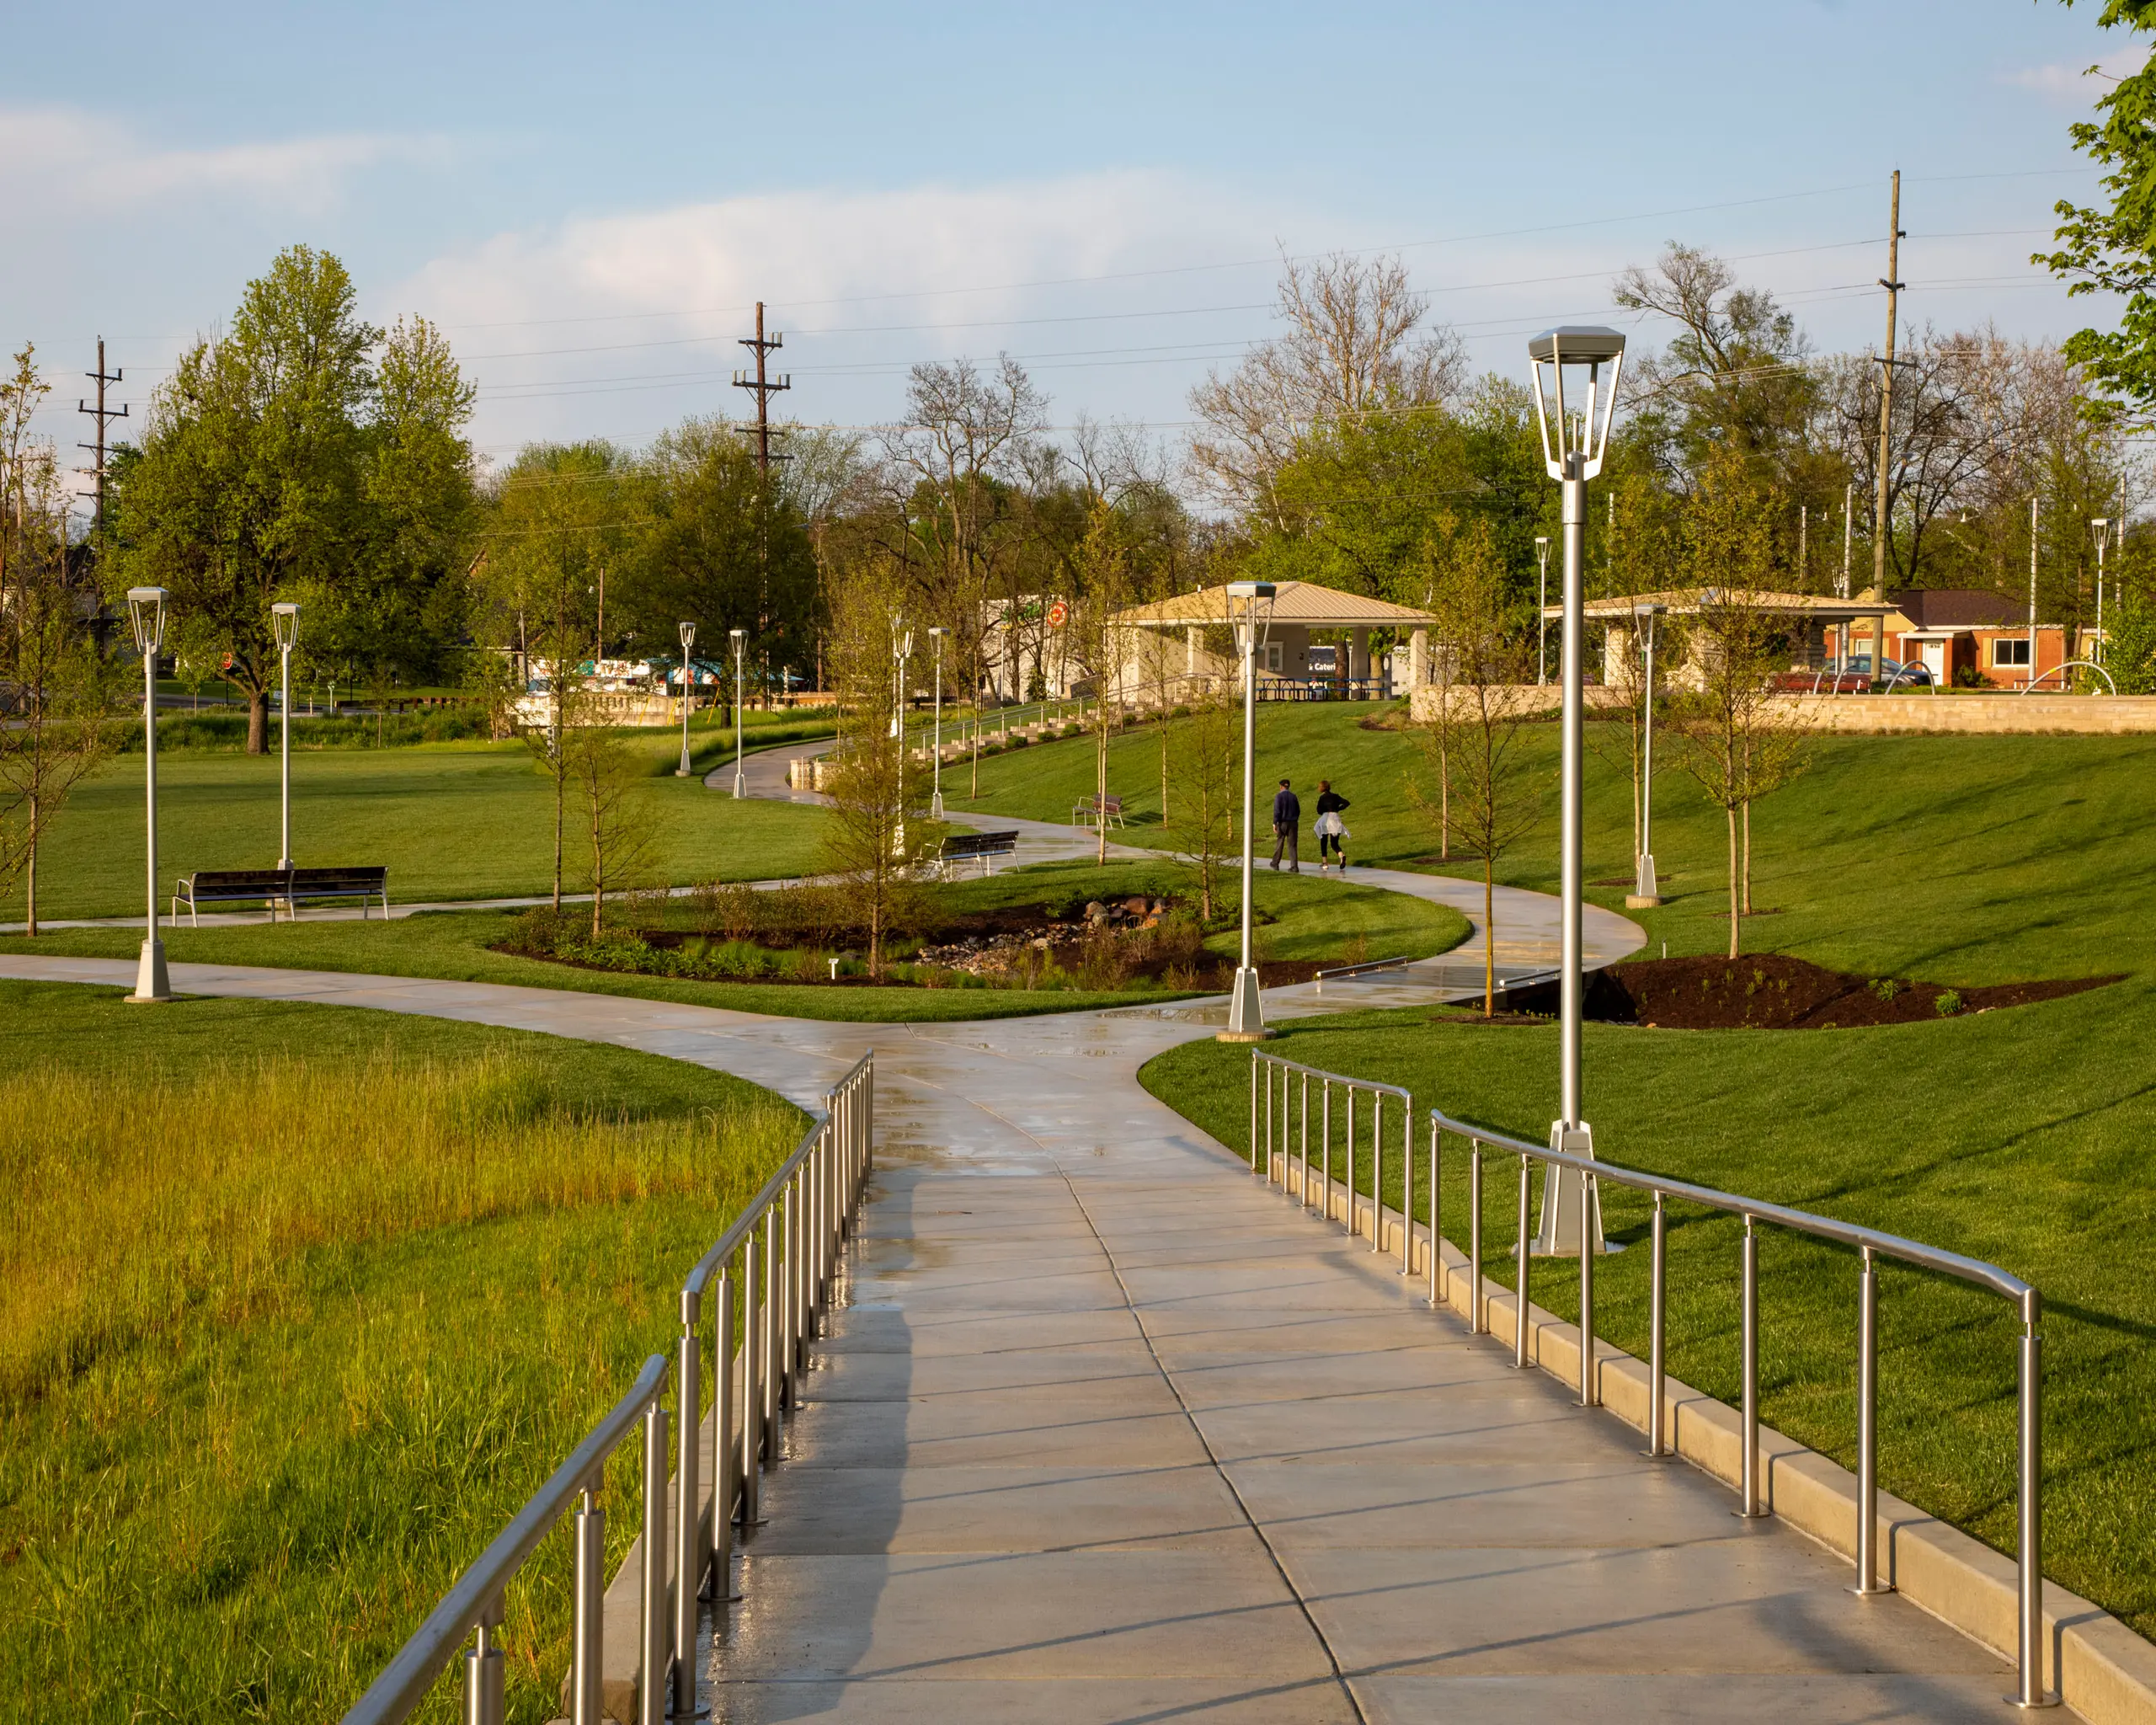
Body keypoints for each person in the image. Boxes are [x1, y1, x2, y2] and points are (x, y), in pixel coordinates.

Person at [1314, 780, 1351, 871]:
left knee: (1324, 841)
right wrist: (1338, 809)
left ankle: (1325, 863)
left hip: (1326, 819)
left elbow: (1318, 810)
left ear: (1321, 788)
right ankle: (1341, 855)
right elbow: (1347, 803)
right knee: (1334, 843)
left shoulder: (1322, 798)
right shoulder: (1336, 796)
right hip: (1335, 819)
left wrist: (1324, 811)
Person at [1270, 778, 1300, 873]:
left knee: (1280, 843)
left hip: (1282, 822)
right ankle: (1294, 866)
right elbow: (1298, 810)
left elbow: (1277, 811)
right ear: (1288, 786)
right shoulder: (1294, 796)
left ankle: (1275, 863)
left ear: (1281, 787)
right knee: (1292, 845)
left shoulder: (1279, 797)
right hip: (1293, 823)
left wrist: (1275, 823)